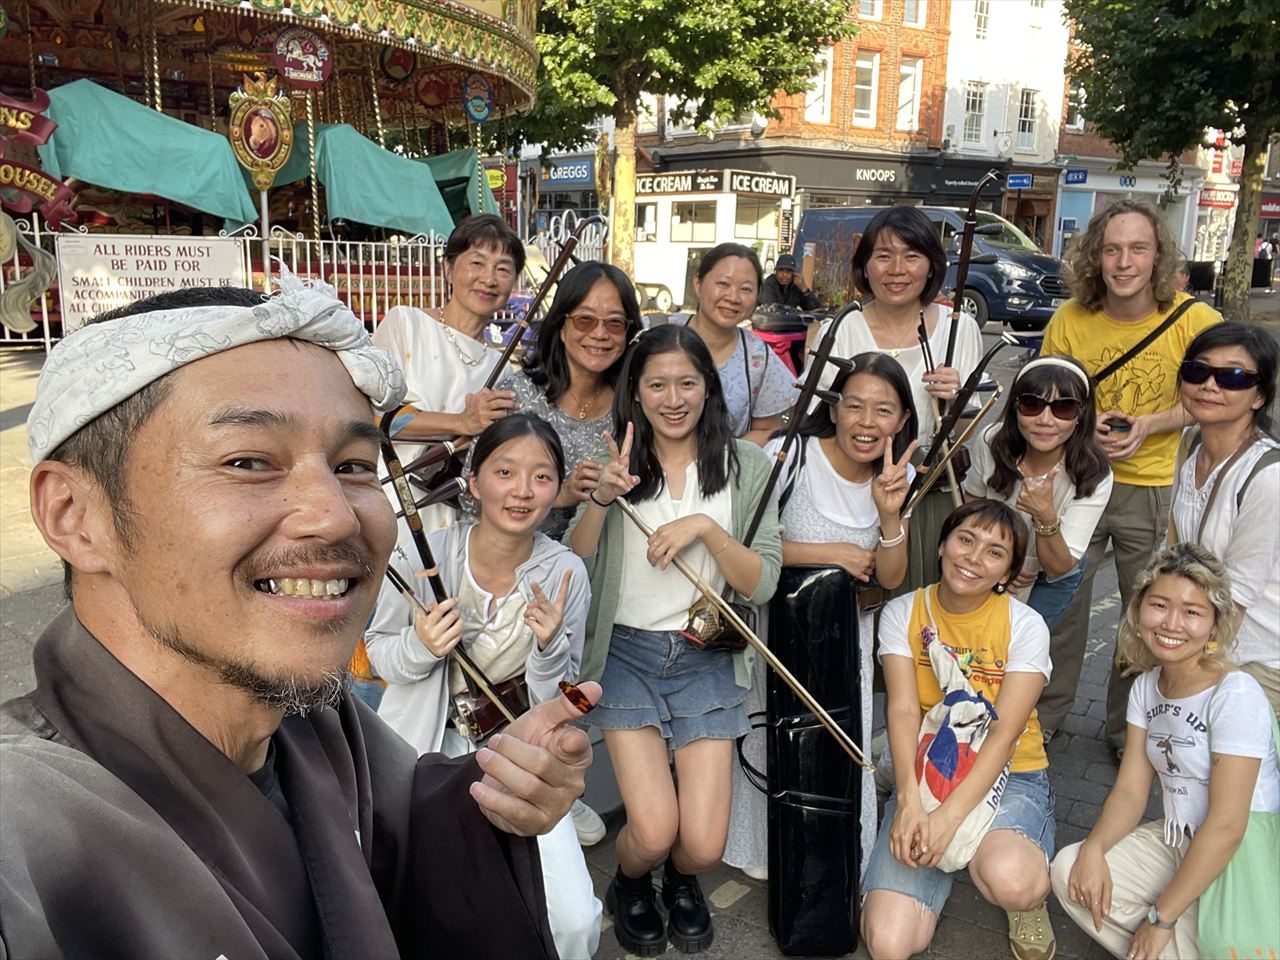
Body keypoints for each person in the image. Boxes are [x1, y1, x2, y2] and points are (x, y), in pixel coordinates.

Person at [2, 281, 597, 957]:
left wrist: (497, 790)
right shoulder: (21, 829)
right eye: (249, 461)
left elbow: (407, 824)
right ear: (75, 515)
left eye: (354, 466)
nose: (336, 515)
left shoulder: (319, 721)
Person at [567, 323, 782, 955]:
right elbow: (575, 564)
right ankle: (632, 881)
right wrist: (600, 499)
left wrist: (707, 531)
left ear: (708, 387)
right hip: (626, 655)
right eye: (657, 384)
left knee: (704, 845)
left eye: (687, 383)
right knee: (655, 829)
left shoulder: (746, 464)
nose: (673, 398)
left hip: (706, 658)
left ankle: (681, 881)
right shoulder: (616, 458)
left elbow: (763, 581)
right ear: (635, 390)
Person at [365, 414, 601, 958]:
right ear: (473, 482)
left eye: (542, 477)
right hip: (425, 750)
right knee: (420, 905)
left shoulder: (565, 572)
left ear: (557, 489)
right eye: (505, 472)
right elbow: (381, 655)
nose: (522, 490)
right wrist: (423, 644)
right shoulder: (422, 554)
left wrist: (548, 648)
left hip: (519, 751)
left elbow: (559, 702)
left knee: (572, 922)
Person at [723, 351, 918, 882]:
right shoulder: (790, 455)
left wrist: (889, 515)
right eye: (854, 405)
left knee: (838, 742)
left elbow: (891, 576)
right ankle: (766, 848)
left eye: (883, 410)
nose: (866, 422)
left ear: (903, 418)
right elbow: (747, 548)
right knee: (770, 730)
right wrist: (832, 553)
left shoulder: (899, 473)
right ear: (832, 409)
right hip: (778, 628)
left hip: (846, 637)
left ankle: (832, 853)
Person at [1040, 198, 1221, 753]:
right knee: (1062, 608)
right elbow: (1047, 392)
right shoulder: (1071, 319)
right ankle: (1042, 719)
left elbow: (1217, 397)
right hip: (1080, 481)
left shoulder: (1194, 321)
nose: (1124, 263)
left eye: (1138, 249)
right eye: (1112, 250)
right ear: (1094, 257)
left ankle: (1130, 732)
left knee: (1146, 614)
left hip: (1155, 488)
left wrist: (1152, 424)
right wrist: (1081, 428)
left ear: (1158, 256)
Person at [1051, 544, 1280, 960]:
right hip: (1178, 840)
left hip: (1240, 855)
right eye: (1159, 605)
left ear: (1215, 623)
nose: (1172, 624)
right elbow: (1130, 790)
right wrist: (1095, 848)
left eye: (1192, 612)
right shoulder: (1146, 686)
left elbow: (1228, 825)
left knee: (1221, 942)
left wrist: (1160, 919)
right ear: (1139, 611)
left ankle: (1173, 932)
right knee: (1071, 872)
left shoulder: (1235, 694)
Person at [863, 499, 1056, 960]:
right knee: (889, 944)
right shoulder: (903, 612)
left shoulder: (1026, 625)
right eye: (966, 539)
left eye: (995, 552)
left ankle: (1026, 900)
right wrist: (910, 805)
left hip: (1009, 772)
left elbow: (1004, 733)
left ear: (1008, 572)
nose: (973, 557)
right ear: (942, 544)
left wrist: (947, 820)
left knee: (1011, 879)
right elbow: (903, 711)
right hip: (930, 769)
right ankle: (940, 852)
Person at [807, 205, 984, 591]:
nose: (897, 270)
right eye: (884, 256)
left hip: (928, 495)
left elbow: (964, 433)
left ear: (932, 266)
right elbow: (816, 418)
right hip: (850, 495)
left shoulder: (960, 329)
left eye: (912, 256)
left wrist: (955, 402)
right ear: (865, 265)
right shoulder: (843, 327)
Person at [963, 355, 1113, 738]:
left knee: (1017, 654)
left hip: (1052, 570)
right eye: (1032, 404)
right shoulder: (991, 442)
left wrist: (1045, 515)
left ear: (1081, 415)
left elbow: (1062, 566)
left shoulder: (1094, 472)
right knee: (977, 646)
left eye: (1063, 408)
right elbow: (972, 507)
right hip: (994, 559)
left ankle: (1012, 734)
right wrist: (1003, 565)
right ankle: (968, 727)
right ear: (1015, 407)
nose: (1046, 419)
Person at [372, 213, 522, 533]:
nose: (489, 279)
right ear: (448, 268)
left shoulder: (502, 366)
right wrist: (460, 422)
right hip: (390, 505)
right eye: (477, 263)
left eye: (503, 269)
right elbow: (374, 416)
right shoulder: (406, 324)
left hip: (456, 518)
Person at [484, 261, 644, 541]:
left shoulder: (636, 404)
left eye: (615, 323)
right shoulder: (516, 396)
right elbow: (473, 495)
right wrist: (559, 494)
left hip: (604, 560)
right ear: (560, 325)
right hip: (515, 556)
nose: (600, 334)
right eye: (585, 320)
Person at [1170, 322, 1280, 715]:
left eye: (1233, 377)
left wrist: (1185, 662)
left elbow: (1238, 596)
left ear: (1259, 396)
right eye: (1197, 371)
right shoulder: (1191, 444)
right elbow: (1174, 549)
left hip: (1256, 661)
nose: (1209, 386)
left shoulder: (1267, 476)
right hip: (1198, 641)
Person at [677, 242, 800, 444]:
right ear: (698, 283)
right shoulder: (658, 334)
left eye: (746, 289)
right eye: (723, 284)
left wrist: (727, 456)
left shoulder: (757, 356)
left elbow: (770, 428)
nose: (733, 297)